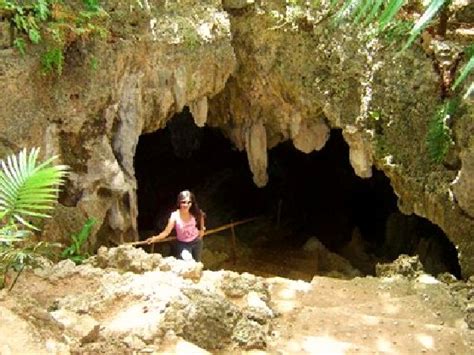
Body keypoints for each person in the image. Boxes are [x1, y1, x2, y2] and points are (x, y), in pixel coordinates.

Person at [147, 190, 205, 262]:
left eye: (189, 202)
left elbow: (201, 215)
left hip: (197, 241)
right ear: (179, 202)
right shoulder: (175, 216)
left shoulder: (194, 211)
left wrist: (202, 229)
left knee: (197, 262)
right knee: (188, 262)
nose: (186, 205)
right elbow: (166, 232)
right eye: (183, 202)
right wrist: (155, 238)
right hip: (183, 244)